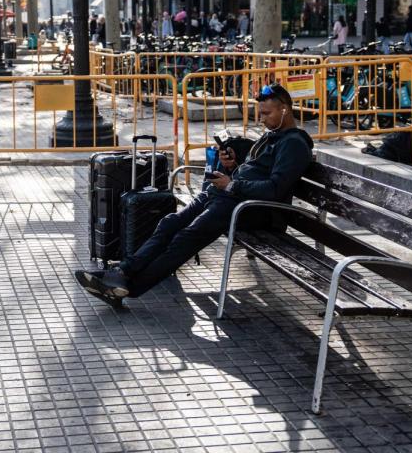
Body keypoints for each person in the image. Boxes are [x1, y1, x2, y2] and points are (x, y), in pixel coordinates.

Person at [75, 84, 314, 306]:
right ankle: (120, 273)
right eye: (260, 113)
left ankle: (129, 287)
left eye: (267, 113)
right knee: (170, 223)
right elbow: (256, 173)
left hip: (253, 210)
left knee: (186, 236)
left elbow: (275, 189)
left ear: (284, 110)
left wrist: (232, 185)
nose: (262, 119)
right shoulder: (273, 136)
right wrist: (230, 166)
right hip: (228, 197)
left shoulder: (293, 144)